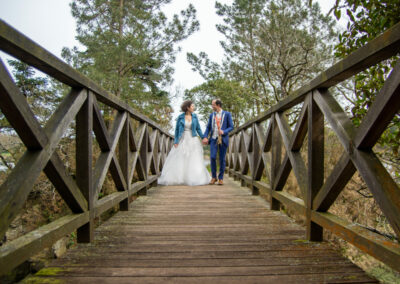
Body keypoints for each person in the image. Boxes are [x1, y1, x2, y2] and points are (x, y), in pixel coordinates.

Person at [158, 100, 211, 186]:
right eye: (192, 106)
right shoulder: (180, 117)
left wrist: (203, 137)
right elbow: (177, 130)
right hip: (182, 139)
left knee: (193, 158)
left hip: (193, 139)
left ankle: (193, 178)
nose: (194, 108)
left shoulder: (195, 117)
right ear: (188, 107)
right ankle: (181, 178)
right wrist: (176, 141)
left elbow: (198, 129)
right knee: (181, 158)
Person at [202, 99, 234, 185]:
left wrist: (224, 131)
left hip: (223, 139)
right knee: (212, 157)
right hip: (213, 139)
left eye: (213, 105)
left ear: (218, 105)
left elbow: (231, 127)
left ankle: (220, 178)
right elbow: (208, 127)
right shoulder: (211, 115)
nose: (212, 106)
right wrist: (205, 136)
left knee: (222, 159)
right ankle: (213, 177)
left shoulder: (227, 114)